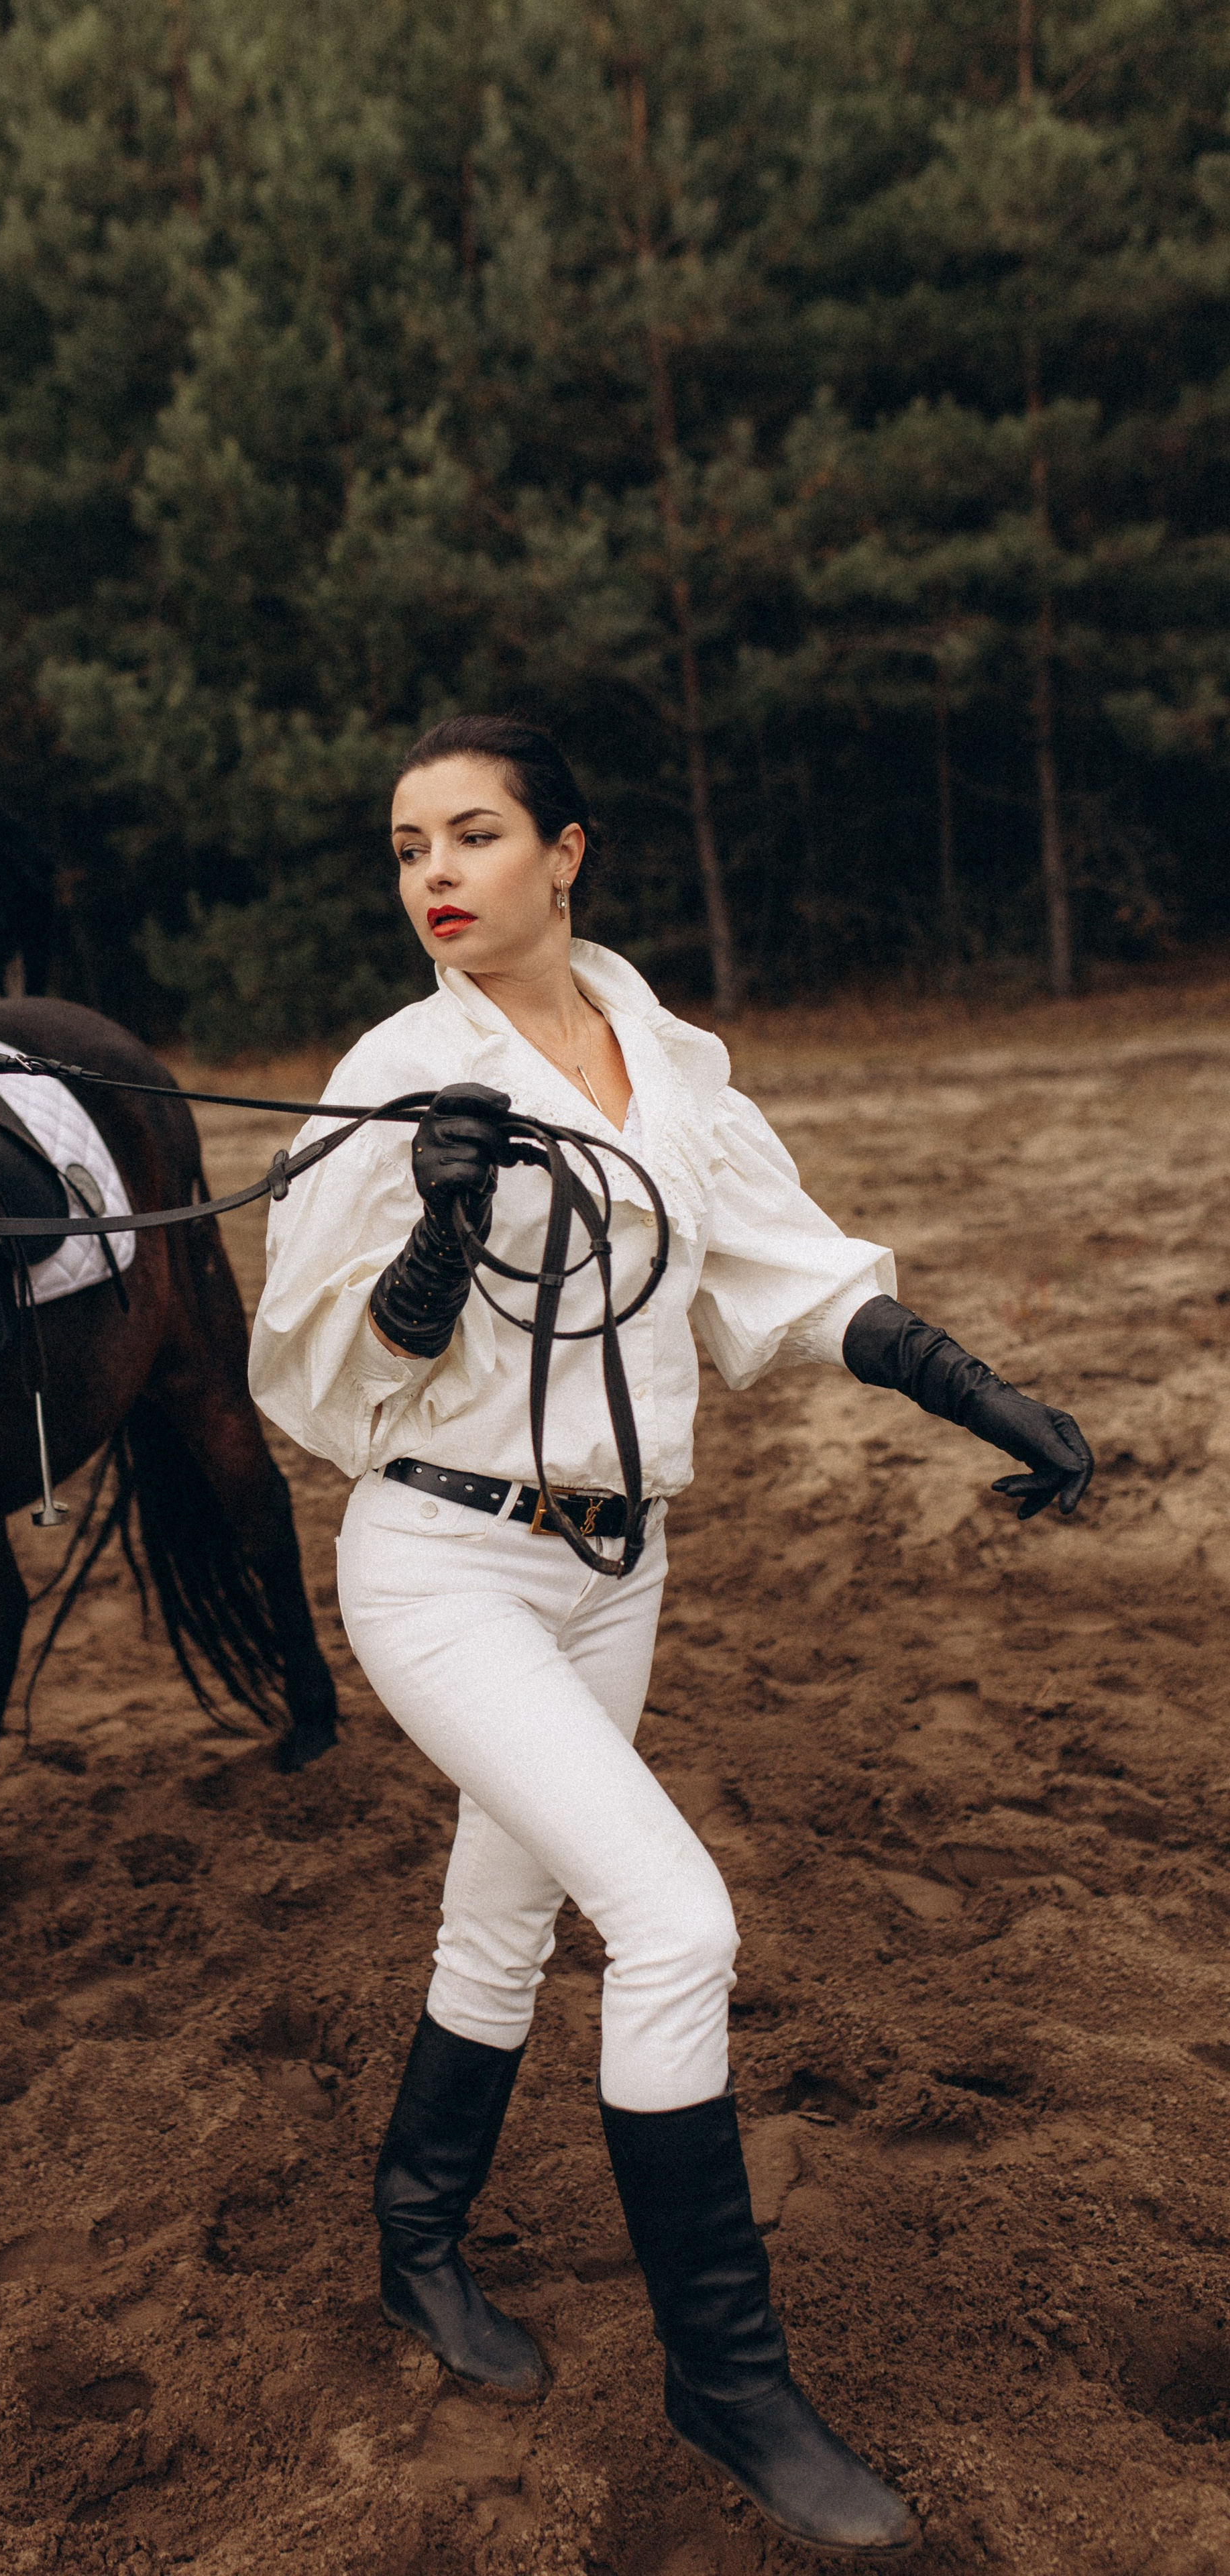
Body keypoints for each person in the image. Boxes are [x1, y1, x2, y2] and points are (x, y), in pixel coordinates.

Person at [245, 715, 1092, 2558]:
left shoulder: (672, 1065)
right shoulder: (396, 1072)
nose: (436, 877)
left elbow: (789, 1286)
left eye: (474, 836)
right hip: (442, 1564)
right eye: (407, 848)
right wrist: (429, 1248)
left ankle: (415, 2232)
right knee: (677, 1921)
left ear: (570, 852)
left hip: (617, 1569)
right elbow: (320, 1367)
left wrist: (980, 1391)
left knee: (513, 1912)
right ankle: (728, 2377)